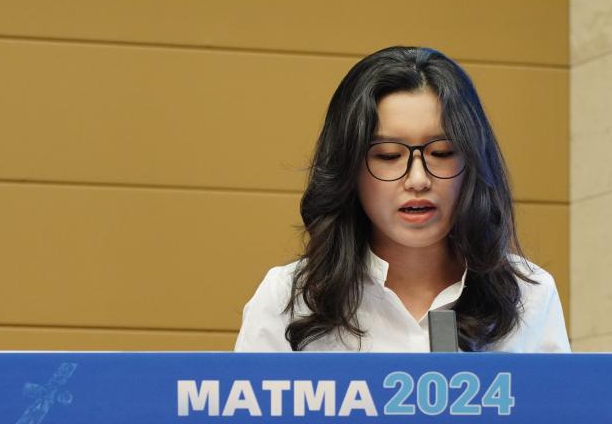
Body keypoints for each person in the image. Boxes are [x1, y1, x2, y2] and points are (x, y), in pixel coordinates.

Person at [234, 46, 569, 353]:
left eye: (442, 152)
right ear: (348, 169)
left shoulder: (529, 294)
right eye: (389, 156)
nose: (418, 180)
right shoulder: (288, 298)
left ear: (473, 164)